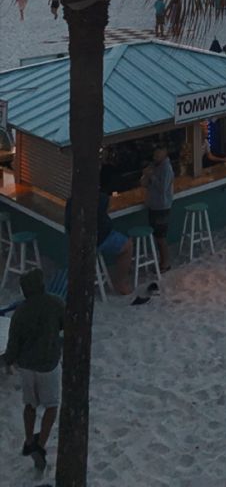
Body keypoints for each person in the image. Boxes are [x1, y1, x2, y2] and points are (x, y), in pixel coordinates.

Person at [2, 268, 65, 472]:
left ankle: (29, 439)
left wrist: (7, 361)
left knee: (30, 405)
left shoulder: (20, 312)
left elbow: (13, 346)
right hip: (48, 364)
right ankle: (41, 444)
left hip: (26, 366)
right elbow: (65, 325)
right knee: (51, 406)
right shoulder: (56, 303)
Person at [64, 189, 132, 295]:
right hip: (101, 239)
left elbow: (68, 226)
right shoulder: (99, 198)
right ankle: (121, 283)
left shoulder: (71, 202)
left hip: (81, 244)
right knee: (128, 246)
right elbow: (107, 203)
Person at [141, 146, 174, 272]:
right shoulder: (154, 166)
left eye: (157, 155)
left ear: (164, 154)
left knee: (161, 237)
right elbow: (144, 184)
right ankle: (160, 261)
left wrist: (152, 176)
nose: (155, 157)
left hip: (162, 206)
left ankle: (165, 263)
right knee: (157, 236)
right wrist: (146, 175)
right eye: (154, 155)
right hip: (153, 205)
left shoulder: (167, 168)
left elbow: (163, 189)